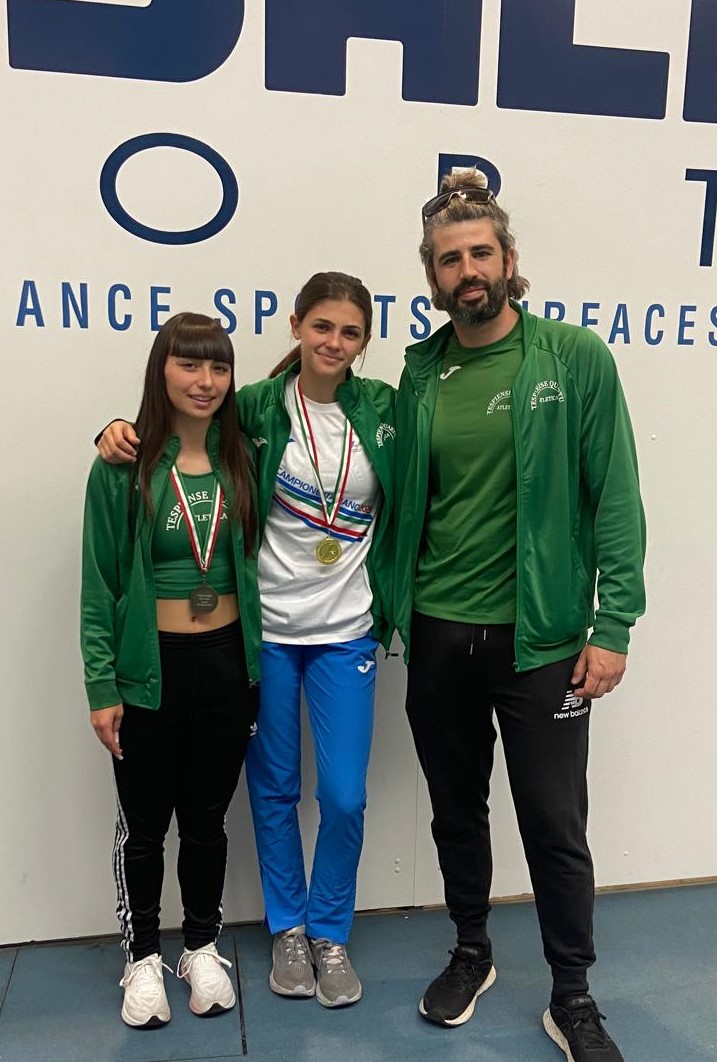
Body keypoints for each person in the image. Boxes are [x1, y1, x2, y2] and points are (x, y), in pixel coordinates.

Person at [393, 170, 646, 1062]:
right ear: (431, 275)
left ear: (507, 260)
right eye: (448, 259)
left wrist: (612, 624)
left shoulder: (572, 359)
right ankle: (472, 950)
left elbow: (614, 495)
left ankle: (571, 994)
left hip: (541, 640)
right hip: (438, 630)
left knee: (553, 823)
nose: (466, 270)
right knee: (455, 811)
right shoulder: (419, 371)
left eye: (479, 253)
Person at [96, 272, 396, 1009]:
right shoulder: (255, 407)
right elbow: (174, 428)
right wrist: (110, 428)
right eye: (321, 326)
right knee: (270, 791)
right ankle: (285, 929)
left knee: (343, 796)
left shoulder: (386, 409)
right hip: (263, 638)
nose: (334, 342)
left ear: (365, 340)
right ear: (295, 326)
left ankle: (328, 931)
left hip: (342, 631)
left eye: (350, 331)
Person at [82, 312, 261, 1029]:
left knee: (208, 822)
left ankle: (201, 946)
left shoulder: (242, 457)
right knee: (146, 828)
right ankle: (142, 956)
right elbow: (99, 584)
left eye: (218, 366)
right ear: (161, 371)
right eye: (188, 364)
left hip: (226, 666)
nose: (205, 380)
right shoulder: (123, 465)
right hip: (148, 671)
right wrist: (102, 685)